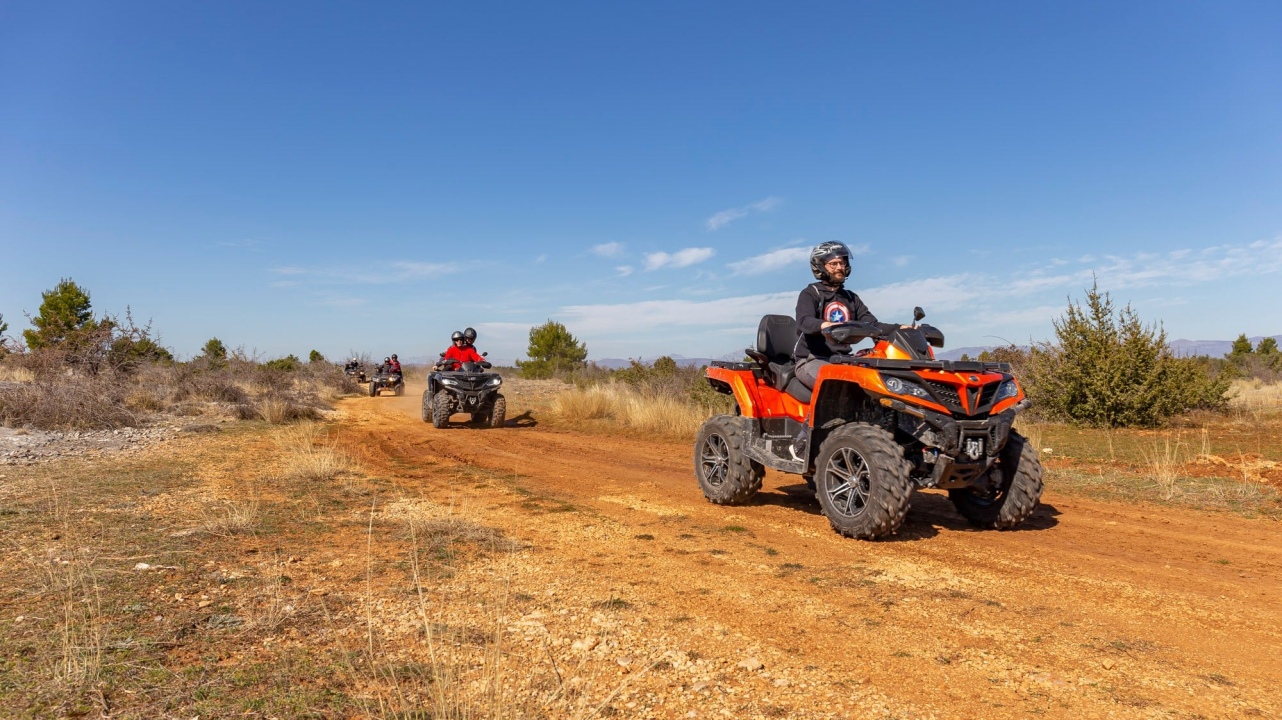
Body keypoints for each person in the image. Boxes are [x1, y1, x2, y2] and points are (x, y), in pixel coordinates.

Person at [792, 241, 888, 390]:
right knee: (839, 386)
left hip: (843, 360)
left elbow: (873, 325)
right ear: (820, 266)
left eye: (842, 263)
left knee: (878, 382)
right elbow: (804, 321)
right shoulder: (811, 293)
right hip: (812, 360)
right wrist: (825, 325)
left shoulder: (850, 297)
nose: (839, 267)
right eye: (833, 264)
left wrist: (902, 328)